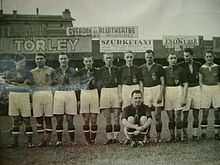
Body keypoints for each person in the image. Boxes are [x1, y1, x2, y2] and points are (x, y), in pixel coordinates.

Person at [5, 54, 33, 148]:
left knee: (26, 119)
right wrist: (17, 84)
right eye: (22, 62)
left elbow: (26, 85)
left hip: (24, 96)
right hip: (13, 96)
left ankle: (30, 142)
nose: (23, 64)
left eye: (24, 62)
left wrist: (14, 83)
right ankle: (15, 142)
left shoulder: (28, 72)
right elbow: (7, 86)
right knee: (15, 120)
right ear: (16, 62)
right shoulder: (10, 73)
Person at [139, 49, 165, 143]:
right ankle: (147, 136)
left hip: (156, 89)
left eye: (150, 57)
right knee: (147, 116)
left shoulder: (159, 67)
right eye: (147, 57)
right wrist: (142, 94)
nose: (149, 59)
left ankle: (158, 136)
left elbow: (162, 82)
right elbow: (141, 83)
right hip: (146, 91)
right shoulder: (141, 68)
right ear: (145, 58)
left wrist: (160, 95)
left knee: (157, 116)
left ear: (153, 57)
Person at [53, 53, 78, 146]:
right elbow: (53, 83)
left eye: (65, 58)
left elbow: (75, 83)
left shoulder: (73, 71)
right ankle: (59, 140)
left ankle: (72, 140)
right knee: (59, 119)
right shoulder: (55, 71)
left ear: (68, 60)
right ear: (59, 60)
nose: (63, 60)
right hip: (59, 94)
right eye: (61, 59)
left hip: (70, 93)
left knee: (70, 119)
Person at [31, 53, 55, 147]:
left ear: (45, 60)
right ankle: (42, 140)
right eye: (37, 59)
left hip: (48, 94)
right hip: (36, 95)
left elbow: (55, 83)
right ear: (35, 60)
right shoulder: (32, 72)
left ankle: (48, 140)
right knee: (38, 118)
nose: (39, 60)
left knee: (48, 117)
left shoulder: (51, 70)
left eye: (41, 58)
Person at [178, 48, 201, 141]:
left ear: (192, 55)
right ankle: (185, 134)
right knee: (185, 114)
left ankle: (195, 134)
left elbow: (200, 78)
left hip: (196, 89)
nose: (185, 57)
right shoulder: (180, 65)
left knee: (196, 113)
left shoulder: (198, 64)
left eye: (187, 56)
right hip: (186, 90)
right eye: (184, 56)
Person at [164, 53, 188, 142]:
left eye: (174, 58)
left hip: (178, 90)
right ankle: (172, 136)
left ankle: (179, 135)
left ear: (177, 59)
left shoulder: (181, 70)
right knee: (170, 117)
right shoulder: (165, 70)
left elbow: (185, 84)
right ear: (168, 60)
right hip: (168, 91)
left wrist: (184, 97)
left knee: (178, 116)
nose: (173, 60)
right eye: (171, 58)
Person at [99, 53, 121, 144]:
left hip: (115, 91)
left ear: (113, 59)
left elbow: (119, 83)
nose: (109, 60)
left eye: (110, 58)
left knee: (116, 117)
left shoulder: (117, 69)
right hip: (105, 92)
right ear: (104, 60)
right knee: (107, 118)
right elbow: (98, 85)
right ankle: (109, 137)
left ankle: (116, 137)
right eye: (107, 58)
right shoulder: (100, 70)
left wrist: (120, 95)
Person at [199, 50, 220, 140]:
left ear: (213, 57)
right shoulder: (202, 68)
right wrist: (202, 89)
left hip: (216, 88)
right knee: (205, 111)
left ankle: (216, 133)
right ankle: (203, 133)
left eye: (210, 56)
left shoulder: (218, 67)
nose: (209, 58)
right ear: (205, 58)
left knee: (217, 111)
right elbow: (200, 81)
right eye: (207, 56)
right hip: (205, 88)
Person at [79, 56, 99, 144]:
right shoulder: (80, 72)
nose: (88, 63)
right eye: (86, 61)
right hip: (84, 93)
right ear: (84, 62)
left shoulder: (97, 71)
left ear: (92, 61)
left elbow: (99, 84)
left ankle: (93, 139)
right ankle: (87, 140)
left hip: (94, 93)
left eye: (89, 61)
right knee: (86, 119)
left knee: (94, 119)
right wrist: (78, 99)